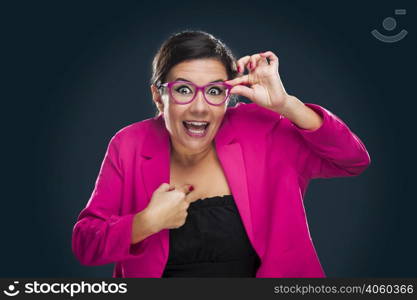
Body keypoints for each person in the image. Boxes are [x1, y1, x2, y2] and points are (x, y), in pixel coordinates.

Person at [71, 30, 371, 278]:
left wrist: (286, 105)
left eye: (215, 91)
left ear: (229, 96)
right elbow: (85, 243)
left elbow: (352, 160)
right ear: (158, 97)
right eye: (184, 90)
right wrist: (146, 222)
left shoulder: (262, 131)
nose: (200, 107)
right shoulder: (129, 144)